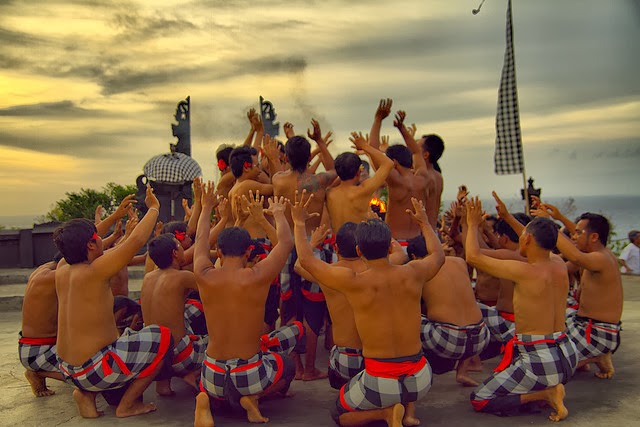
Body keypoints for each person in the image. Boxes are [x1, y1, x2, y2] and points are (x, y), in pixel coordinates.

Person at [294, 191, 444, 427]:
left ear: (360, 252)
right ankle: (407, 411)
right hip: (421, 378)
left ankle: (385, 414)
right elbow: (438, 255)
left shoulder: (353, 281)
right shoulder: (413, 271)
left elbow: (305, 260)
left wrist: (299, 222)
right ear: (388, 248)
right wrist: (424, 222)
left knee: (339, 414)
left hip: (380, 379)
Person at [54, 186, 173, 419]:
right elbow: (137, 239)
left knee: (127, 334)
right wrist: (154, 208)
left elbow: (78, 240)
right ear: (90, 244)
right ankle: (127, 405)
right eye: (96, 238)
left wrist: (115, 217)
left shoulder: (62, 269)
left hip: (68, 370)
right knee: (161, 337)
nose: (101, 239)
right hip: (95, 369)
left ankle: (85, 395)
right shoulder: (96, 271)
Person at [193, 183, 302, 426]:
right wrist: (276, 212)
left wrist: (205, 207)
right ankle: (254, 398)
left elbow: (201, 238)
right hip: (249, 373)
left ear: (218, 253)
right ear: (249, 251)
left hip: (212, 374)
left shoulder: (203, 273)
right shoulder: (258, 275)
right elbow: (285, 242)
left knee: (210, 379)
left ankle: (205, 400)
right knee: (287, 365)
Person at [465, 197, 578, 421]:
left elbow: (472, 256)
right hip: (567, 354)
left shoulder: (524, 272)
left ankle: (545, 394)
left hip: (540, 360)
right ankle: (544, 389)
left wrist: (472, 224)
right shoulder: (558, 264)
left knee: (480, 398)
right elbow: (533, 234)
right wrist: (507, 217)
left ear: (526, 240)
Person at [272, 121, 337, 381]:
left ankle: (297, 368)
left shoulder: (278, 179)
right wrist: (320, 141)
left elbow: (292, 170)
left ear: (286, 157)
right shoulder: (317, 181)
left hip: (286, 246)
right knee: (313, 311)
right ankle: (310, 369)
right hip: (314, 246)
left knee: (290, 310)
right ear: (309, 156)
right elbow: (335, 169)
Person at [541, 206, 623, 379]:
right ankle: (594, 356)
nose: (573, 237)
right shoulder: (594, 253)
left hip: (597, 333)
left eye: (578, 233)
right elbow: (579, 244)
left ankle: (595, 353)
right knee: (546, 335)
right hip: (582, 322)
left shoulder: (600, 258)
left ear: (594, 237)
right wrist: (560, 217)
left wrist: (548, 225)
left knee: (549, 367)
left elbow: (576, 256)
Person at [406, 235, 489, 387]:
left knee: (405, 315)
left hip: (447, 340)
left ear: (413, 256)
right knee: (471, 309)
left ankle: (413, 374)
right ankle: (463, 371)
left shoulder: (419, 268)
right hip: (480, 338)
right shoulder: (459, 261)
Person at [294, 222, 366, 390]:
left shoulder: (328, 273)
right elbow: (400, 255)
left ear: (336, 248)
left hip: (345, 360)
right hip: (375, 357)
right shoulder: (375, 271)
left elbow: (299, 265)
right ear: (361, 248)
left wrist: (312, 242)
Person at [141, 233, 208, 397]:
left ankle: (163, 384)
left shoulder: (148, 277)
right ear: (175, 253)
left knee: (180, 320)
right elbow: (212, 290)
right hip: (180, 357)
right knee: (221, 344)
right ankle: (193, 372)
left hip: (153, 355)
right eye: (179, 246)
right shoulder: (182, 277)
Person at [368, 102, 429, 246]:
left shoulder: (395, 180)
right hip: (420, 243)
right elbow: (417, 152)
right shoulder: (422, 178)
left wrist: (378, 119)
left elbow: (373, 150)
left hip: (397, 244)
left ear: (393, 162)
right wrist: (401, 128)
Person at [326, 131, 394, 231]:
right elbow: (388, 163)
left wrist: (343, 169)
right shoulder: (363, 191)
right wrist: (365, 146)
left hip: (338, 244)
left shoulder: (329, 193)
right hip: (360, 243)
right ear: (358, 172)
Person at [19, 254, 65, 397]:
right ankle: (38, 373)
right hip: (37, 353)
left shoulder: (44, 268)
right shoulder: (56, 276)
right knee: (89, 372)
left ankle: (39, 371)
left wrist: (115, 235)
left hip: (33, 348)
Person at [419, 134, 445, 229]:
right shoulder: (438, 176)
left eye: (416, 148)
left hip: (422, 234)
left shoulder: (423, 177)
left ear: (426, 155)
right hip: (432, 232)